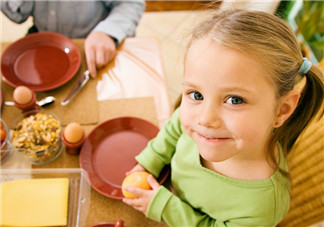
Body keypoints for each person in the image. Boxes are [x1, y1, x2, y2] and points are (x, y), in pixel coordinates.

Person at [122, 9, 324, 226]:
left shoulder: (264, 205)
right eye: (196, 95)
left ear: (282, 110)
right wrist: (150, 162)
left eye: (235, 100)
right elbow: (174, 127)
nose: (205, 119)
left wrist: (164, 207)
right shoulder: (202, 126)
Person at [0, 1, 145, 78]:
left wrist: (107, 33)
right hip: (45, 44)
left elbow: (131, 3)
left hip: (94, 44)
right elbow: (18, 15)